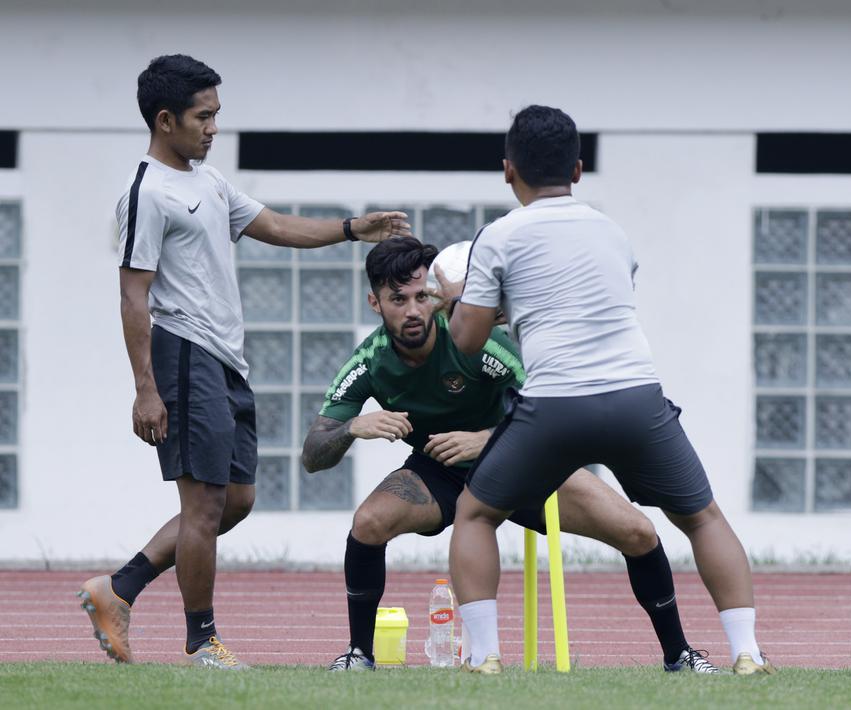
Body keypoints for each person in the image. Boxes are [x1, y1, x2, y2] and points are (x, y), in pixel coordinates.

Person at [77, 54, 411, 670]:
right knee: (203, 505)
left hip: (226, 362)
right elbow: (133, 294)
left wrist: (351, 228)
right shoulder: (147, 193)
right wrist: (145, 389)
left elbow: (276, 225)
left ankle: (118, 590)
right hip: (183, 355)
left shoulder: (207, 182)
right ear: (165, 119)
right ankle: (203, 641)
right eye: (204, 117)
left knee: (236, 500)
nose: (213, 128)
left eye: (217, 115)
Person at [437, 105, 773, 675]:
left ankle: (486, 657)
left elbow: (467, 342)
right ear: (577, 170)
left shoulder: (497, 236)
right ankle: (748, 654)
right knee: (703, 518)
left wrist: (463, 302)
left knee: (474, 514)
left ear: (507, 170)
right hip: (635, 396)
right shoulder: (613, 231)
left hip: (555, 403)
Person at [304, 236, 718, 674]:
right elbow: (313, 454)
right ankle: (358, 656)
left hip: (524, 460)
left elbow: (550, 401)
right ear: (375, 302)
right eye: (397, 299)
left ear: (437, 295)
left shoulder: (476, 341)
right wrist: (352, 427)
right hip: (440, 473)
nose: (412, 310)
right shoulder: (370, 360)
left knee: (637, 531)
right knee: (368, 522)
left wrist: (488, 438)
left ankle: (680, 655)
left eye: (422, 296)